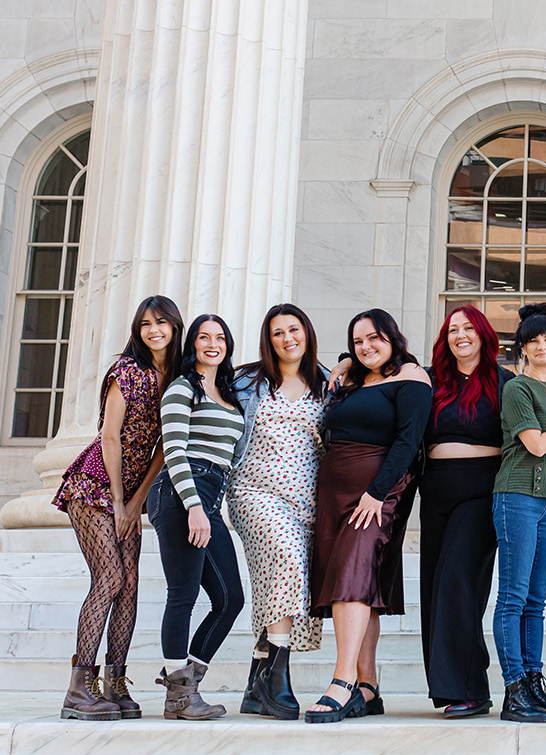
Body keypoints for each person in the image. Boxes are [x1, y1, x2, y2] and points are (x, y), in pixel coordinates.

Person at [54, 296, 182, 721]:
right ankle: (78, 687)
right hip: (94, 484)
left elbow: (164, 450)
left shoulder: (178, 380)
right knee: (109, 576)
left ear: (174, 327)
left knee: (129, 584)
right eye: (145, 323)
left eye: (161, 322)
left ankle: (114, 682)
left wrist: (136, 503)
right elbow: (110, 438)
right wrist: (117, 500)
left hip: (130, 494)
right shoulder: (127, 371)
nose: (153, 330)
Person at [306, 309, 431, 723]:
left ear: (393, 337)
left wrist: (377, 493)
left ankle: (341, 682)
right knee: (359, 581)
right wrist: (345, 361)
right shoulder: (351, 379)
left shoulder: (412, 377)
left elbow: (408, 439)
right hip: (334, 492)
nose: (366, 347)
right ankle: (367, 686)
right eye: (358, 342)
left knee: (352, 574)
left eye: (374, 338)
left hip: (379, 491)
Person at [229, 304, 328, 720]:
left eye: (294, 330)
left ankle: (256, 683)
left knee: (280, 580)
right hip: (253, 492)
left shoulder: (328, 382)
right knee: (286, 561)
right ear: (267, 341)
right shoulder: (247, 381)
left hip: (306, 501)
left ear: (306, 332)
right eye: (277, 333)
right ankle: (278, 679)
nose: (287, 339)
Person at [148, 314, 246, 720]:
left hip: (211, 495)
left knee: (230, 599)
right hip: (180, 492)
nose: (212, 343)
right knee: (183, 594)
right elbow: (174, 452)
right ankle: (179, 695)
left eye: (220, 337)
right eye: (204, 337)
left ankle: (187, 684)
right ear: (192, 344)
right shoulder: (182, 388)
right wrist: (193, 507)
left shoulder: (228, 390)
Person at [421, 305, 514, 718]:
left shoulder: (503, 381)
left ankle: (472, 687)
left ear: (482, 335)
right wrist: (345, 361)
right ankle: (447, 687)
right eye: (452, 329)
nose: (460, 335)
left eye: (468, 328)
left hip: (483, 489)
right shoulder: (429, 380)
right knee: (434, 586)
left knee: (459, 580)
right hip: (436, 492)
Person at [491, 303, 546, 723]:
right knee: (512, 598)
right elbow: (538, 445)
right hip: (518, 498)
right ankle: (513, 691)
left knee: (536, 601)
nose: (543, 346)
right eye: (534, 341)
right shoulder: (518, 388)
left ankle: (533, 683)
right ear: (523, 349)